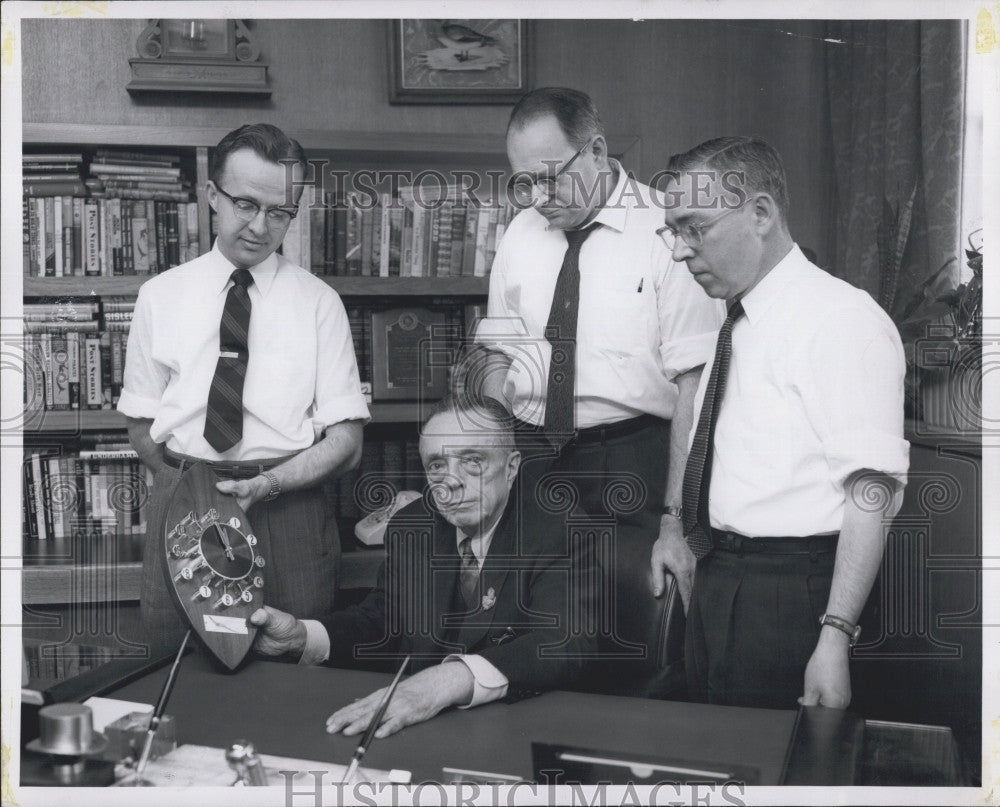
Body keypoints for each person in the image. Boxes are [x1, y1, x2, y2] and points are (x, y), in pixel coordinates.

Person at [655, 136, 909, 709]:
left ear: (761, 213)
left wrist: (835, 635)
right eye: (671, 231)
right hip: (720, 581)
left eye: (694, 227)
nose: (678, 251)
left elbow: (873, 491)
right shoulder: (736, 318)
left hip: (796, 598)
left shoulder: (841, 319)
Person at [472, 87, 724, 612]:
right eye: (524, 182)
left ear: (597, 150)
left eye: (550, 176)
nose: (538, 197)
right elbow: (498, 354)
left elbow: (694, 388)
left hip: (633, 462)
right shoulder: (520, 233)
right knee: (532, 624)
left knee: (631, 623)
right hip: (534, 458)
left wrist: (675, 521)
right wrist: (495, 464)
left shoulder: (666, 229)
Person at [119, 123, 369, 651]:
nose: (260, 226)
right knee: (176, 664)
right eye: (245, 204)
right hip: (185, 504)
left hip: (289, 511)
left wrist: (265, 485)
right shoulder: (159, 296)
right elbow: (141, 425)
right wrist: (192, 489)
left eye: (280, 212)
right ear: (212, 196)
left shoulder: (320, 303)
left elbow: (346, 443)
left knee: (292, 676)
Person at [250, 395, 597, 738]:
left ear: (511, 466)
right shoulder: (413, 527)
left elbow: (566, 643)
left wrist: (447, 681)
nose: (452, 481)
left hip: (516, 732)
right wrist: (304, 636)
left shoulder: (559, 529)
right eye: (436, 465)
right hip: (422, 729)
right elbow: (384, 621)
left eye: (473, 460)